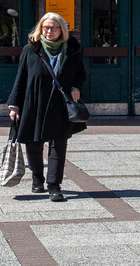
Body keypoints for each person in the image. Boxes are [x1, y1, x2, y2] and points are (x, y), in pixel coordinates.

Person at [7, 12, 86, 201]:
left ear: (62, 30)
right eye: (45, 27)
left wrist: (76, 86)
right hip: (34, 101)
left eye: (53, 28)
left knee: (58, 144)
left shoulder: (71, 50)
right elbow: (21, 78)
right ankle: (37, 178)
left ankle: (54, 185)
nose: (48, 31)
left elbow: (81, 74)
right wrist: (14, 105)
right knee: (33, 143)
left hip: (60, 103)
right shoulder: (31, 49)